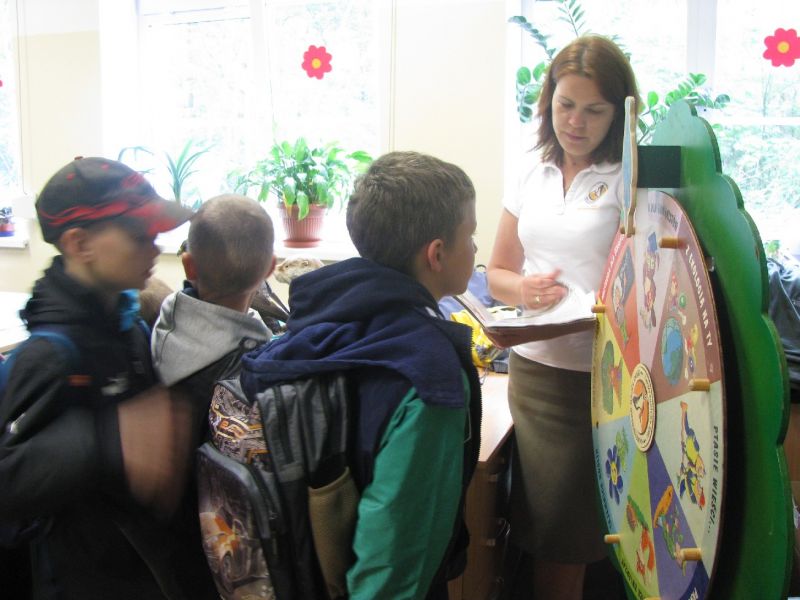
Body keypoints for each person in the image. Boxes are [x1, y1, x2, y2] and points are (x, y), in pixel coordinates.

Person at [239, 150, 482, 599]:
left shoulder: (325, 315)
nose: (475, 248)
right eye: (470, 235)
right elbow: (396, 556)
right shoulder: (430, 380)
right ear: (436, 254)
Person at [0, 156, 208, 599]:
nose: (153, 249)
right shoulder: (49, 356)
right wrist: (105, 439)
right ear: (79, 243)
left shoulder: (128, 327)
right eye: (138, 235)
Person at [487, 35, 640, 599]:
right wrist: (524, 290)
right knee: (540, 530)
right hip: (533, 373)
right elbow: (497, 271)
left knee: (569, 539)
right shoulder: (532, 170)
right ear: (548, 101)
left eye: (594, 110)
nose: (576, 122)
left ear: (619, 112)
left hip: (602, 377)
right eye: (565, 105)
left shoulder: (631, 176)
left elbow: (652, 283)